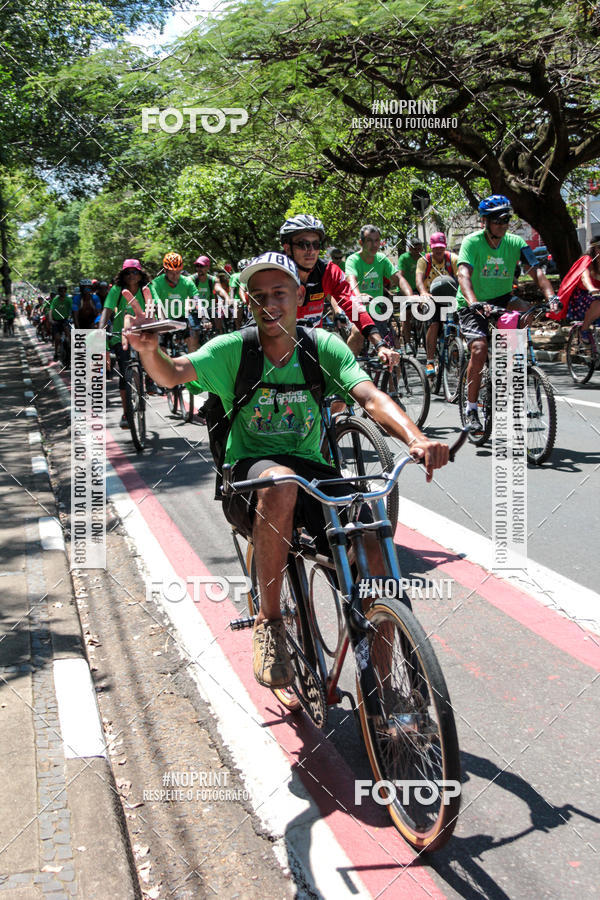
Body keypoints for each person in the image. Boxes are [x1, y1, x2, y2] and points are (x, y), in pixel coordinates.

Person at [121, 252, 450, 689]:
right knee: (279, 485)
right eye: (258, 295)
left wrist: (416, 437)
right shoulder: (233, 349)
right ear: (247, 301)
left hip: (313, 471)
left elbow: (370, 397)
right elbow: (173, 373)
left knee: (372, 539)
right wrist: (150, 351)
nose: (269, 303)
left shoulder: (322, 347)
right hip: (250, 477)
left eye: (279, 293)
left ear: (299, 296)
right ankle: (269, 622)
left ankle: (384, 690)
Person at [456, 195, 559, 432]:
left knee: (526, 310)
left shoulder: (515, 242)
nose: (503, 225)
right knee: (479, 348)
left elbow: (537, 272)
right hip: (472, 301)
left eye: (506, 220)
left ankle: (511, 363)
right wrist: (474, 302)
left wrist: (551, 296)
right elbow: (463, 274)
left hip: (503, 299)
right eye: (497, 220)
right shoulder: (472, 242)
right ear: (485, 221)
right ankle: (471, 409)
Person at [281, 215, 399, 369]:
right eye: (303, 244)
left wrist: (380, 345)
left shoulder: (328, 272)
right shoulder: (274, 274)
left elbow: (353, 305)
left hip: (310, 347)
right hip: (277, 350)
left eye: (316, 244)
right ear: (287, 247)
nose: (311, 250)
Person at [98, 259, 152, 428]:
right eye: (127, 272)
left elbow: (156, 306)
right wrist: (100, 332)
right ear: (123, 275)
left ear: (140, 274)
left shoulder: (146, 289)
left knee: (151, 360)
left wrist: (161, 323)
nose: (131, 275)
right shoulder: (117, 289)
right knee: (124, 373)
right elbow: (107, 310)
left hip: (143, 334)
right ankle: (126, 412)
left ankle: (149, 382)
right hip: (121, 337)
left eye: (134, 272)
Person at [344, 224, 413, 350]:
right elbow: (351, 280)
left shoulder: (381, 259)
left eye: (377, 240)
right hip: (357, 310)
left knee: (394, 346)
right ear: (361, 243)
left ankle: (392, 363)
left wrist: (411, 296)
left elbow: (399, 279)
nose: (374, 245)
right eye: (369, 241)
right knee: (358, 331)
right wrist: (359, 296)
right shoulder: (353, 260)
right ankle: (347, 362)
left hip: (377, 311)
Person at [415, 232, 459, 376]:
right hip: (431, 297)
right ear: (431, 247)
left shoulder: (453, 259)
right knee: (434, 324)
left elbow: (461, 278)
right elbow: (419, 279)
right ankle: (430, 361)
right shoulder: (424, 260)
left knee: (460, 321)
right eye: (435, 247)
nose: (439, 250)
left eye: (441, 247)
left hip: (451, 297)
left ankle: (459, 352)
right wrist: (423, 293)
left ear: (445, 246)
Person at [548, 236, 600, 342]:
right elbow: (584, 277)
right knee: (598, 305)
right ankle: (584, 329)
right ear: (594, 249)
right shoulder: (586, 260)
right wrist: (591, 288)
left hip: (597, 295)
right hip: (582, 297)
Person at [49, 284, 73, 361]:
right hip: (56, 321)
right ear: (59, 292)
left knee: (69, 335)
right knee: (57, 338)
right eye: (61, 291)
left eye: (64, 291)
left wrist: (72, 318)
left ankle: (71, 350)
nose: (63, 293)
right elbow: (51, 310)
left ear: (66, 291)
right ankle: (56, 353)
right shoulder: (55, 300)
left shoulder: (68, 300)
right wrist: (51, 320)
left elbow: (73, 309)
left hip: (65, 320)